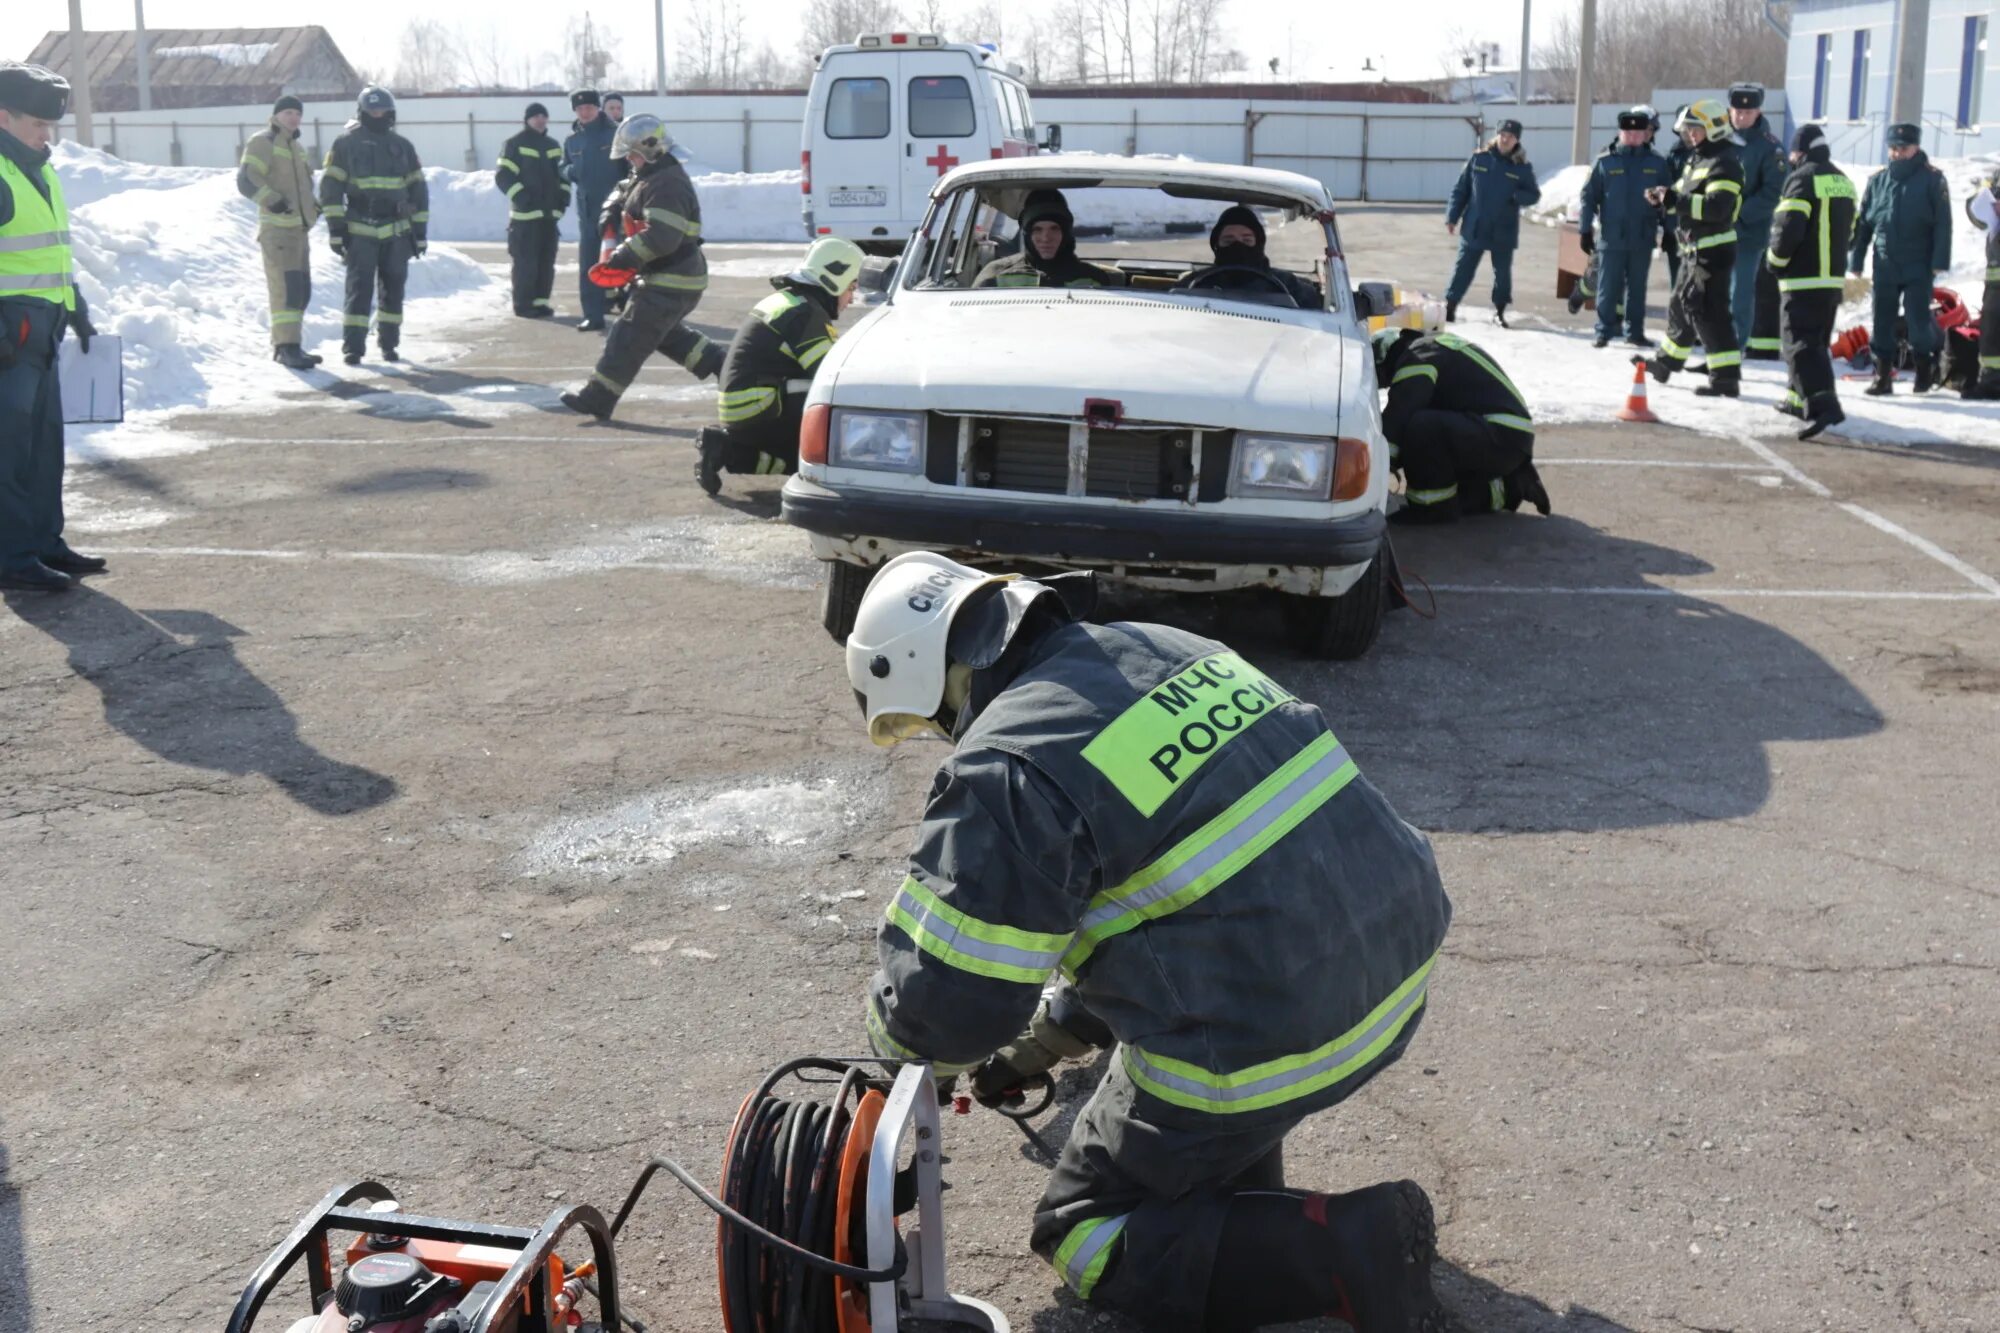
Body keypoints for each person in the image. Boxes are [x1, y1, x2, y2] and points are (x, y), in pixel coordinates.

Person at [845, 549, 1453, 1333]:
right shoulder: (1163, 648)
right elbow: (1171, 889)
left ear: (928, 678)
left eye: (924, 722)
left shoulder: (1005, 766)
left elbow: (937, 1010)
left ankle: (1347, 1248)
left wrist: (884, 1076)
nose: (938, 736)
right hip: (1389, 963)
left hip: (1275, 1029)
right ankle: (1240, 1195)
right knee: (1190, 1137)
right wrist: (1042, 1042)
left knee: (1085, 1232)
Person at [0, 62, 104, 593]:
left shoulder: (36, 170)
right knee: (9, 449)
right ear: (3, 116)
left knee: (43, 445)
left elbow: (53, 255)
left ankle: (43, 544)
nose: (48, 134)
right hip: (9, 334)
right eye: (38, 124)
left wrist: (76, 305)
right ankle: (12, 557)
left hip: (44, 327)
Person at [560, 114, 723, 420]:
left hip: (674, 279)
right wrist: (610, 210)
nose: (630, 161)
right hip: (672, 276)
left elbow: (662, 237)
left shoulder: (667, 184)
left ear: (651, 150)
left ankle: (599, 397)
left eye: (632, 155)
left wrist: (621, 256)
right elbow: (624, 189)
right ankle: (724, 365)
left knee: (629, 335)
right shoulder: (649, 175)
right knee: (662, 334)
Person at [696, 236, 864, 493]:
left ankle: (726, 449)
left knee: (795, 462)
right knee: (830, 447)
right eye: (852, 287)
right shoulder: (805, 313)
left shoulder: (792, 301)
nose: (851, 298)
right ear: (835, 278)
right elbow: (829, 376)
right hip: (762, 408)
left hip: (747, 410)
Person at [1374, 327, 1549, 524]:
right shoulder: (1433, 346)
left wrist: (1369, 468)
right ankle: (1509, 487)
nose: (1385, 382)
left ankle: (1432, 510)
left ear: (1385, 356)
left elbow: (1400, 415)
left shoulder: (1416, 357)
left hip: (1499, 435)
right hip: (1505, 435)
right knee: (1421, 441)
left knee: (1421, 428)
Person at [1638, 100, 1744, 397]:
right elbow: (1685, 198)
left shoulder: (1724, 162)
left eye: (1696, 128)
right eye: (1688, 129)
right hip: (1694, 250)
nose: (1691, 134)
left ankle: (1725, 379)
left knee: (1710, 313)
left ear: (1714, 127)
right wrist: (1665, 196)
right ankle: (1665, 363)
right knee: (1681, 305)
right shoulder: (1697, 159)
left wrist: (1676, 201)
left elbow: (1718, 208)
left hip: (1713, 251)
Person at [318, 87, 427, 367]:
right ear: (362, 113)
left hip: (397, 231)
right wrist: (336, 228)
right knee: (359, 290)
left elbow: (418, 191)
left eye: (382, 111)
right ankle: (353, 348)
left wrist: (420, 232)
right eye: (372, 111)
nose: (378, 115)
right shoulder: (345, 144)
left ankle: (389, 344)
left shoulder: (403, 146)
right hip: (359, 230)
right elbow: (330, 189)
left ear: (390, 113)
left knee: (393, 290)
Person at [1765, 125, 1857, 440]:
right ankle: (1796, 399)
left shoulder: (1802, 179)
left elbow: (1788, 227)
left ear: (1800, 151)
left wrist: (1775, 262)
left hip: (1803, 277)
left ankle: (1823, 403)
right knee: (1815, 342)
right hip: (1831, 279)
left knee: (1799, 345)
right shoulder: (1843, 181)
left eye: (1792, 152)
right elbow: (1852, 231)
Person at [1850, 122, 1952, 396]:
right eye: (1893, 148)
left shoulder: (1932, 180)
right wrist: (1856, 259)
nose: (1897, 153)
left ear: (1916, 147)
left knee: (1918, 319)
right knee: (1882, 319)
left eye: (1903, 148)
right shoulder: (1878, 181)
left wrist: (1939, 261)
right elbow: (1865, 224)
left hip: (1919, 262)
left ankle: (1923, 372)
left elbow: (1943, 223)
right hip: (1885, 262)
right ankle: (1883, 376)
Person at [237, 94, 322, 369]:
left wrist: (314, 208)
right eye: (287, 112)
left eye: (297, 113)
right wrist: (274, 202)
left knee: (300, 291)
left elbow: (303, 187)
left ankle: (293, 345)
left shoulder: (296, 147)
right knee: (285, 290)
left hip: (298, 231)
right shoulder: (264, 141)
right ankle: (285, 348)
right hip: (278, 232)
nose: (293, 117)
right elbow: (247, 179)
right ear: (275, 116)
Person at [1577, 107, 1667, 348]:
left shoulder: (1657, 164)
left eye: (1639, 132)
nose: (1634, 136)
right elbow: (1588, 197)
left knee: (1637, 288)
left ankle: (1634, 332)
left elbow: (1668, 199)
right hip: (1612, 236)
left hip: (1643, 235)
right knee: (1608, 285)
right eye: (1629, 132)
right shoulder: (1606, 162)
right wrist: (1585, 229)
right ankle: (1604, 331)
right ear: (1621, 133)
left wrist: (1669, 230)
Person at [1443, 117, 1540, 326]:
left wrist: (1517, 196)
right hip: (1475, 226)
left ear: (1517, 140)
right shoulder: (1479, 159)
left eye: (1510, 137)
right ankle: (1450, 307)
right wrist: (1452, 216)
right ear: (1497, 136)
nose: (1505, 140)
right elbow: (1461, 190)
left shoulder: (1521, 167)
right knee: (1463, 269)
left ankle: (1500, 311)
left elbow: (1534, 195)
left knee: (1502, 274)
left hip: (1503, 230)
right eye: (1502, 135)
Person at [1726, 84, 1785, 357]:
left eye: (1747, 112)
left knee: (1741, 292)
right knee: (1716, 288)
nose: (1741, 117)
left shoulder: (1770, 147)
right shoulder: (1719, 140)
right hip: (1715, 228)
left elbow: (1773, 191)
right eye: (1738, 111)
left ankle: (1736, 343)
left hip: (1748, 231)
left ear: (1758, 111)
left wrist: (1738, 212)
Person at [496, 101, 569, 319]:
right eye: (535, 116)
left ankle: (541, 302)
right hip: (525, 218)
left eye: (543, 116)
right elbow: (503, 176)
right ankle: (523, 304)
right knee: (526, 263)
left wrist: (563, 197)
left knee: (546, 262)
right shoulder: (514, 144)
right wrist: (522, 198)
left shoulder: (554, 145)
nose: (540, 119)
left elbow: (563, 176)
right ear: (527, 120)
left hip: (549, 217)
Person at [562, 90, 626, 333]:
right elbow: (563, 165)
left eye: (589, 107)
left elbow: (628, 168)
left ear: (597, 108)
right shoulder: (572, 140)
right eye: (580, 109)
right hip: (588, 213)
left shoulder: (614, 134)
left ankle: (632, 312)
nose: (584, 112)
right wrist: (569, 172)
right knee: (589, 264)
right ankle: (592, 314)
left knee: (624, 261)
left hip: (616, 210)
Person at [973, 189, 1120, 288]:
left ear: (1066, 233)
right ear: (1027, 234)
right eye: (1037, 229)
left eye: (1054, 229)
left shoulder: (1093, 279)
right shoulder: (995, 274)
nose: (1046, 238)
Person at [1181, 204, 1319, 307]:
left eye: (1246, 240)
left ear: (1259, 243)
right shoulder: (1195, 283)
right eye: (1228, 241)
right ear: (1216, 245)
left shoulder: (1288, 284)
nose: (1237, 246)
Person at [1963, 172, 2000, 399]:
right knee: (1990, 334)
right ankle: (1991, 381)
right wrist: (1985, 188)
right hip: (1994, 289)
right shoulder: (1994, 224)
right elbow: (1974, 210)